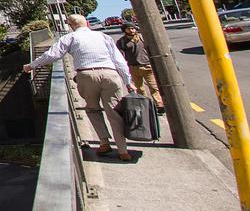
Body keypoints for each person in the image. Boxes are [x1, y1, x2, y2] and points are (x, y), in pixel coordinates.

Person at [24, 13, 137, 161]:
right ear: (87, 24)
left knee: (92, 109)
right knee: (115, 112)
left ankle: (104, 142)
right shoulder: (103, 37)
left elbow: (52, 55)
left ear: (70, 26)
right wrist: (128, 81)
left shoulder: (69, 38)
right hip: (110, 74)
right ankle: (123, 150)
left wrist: (31, 65)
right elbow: (119, 60)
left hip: (86, 75)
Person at [117, 21, 165, 114]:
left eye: (132, 28)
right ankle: (145, 106)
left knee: (154, 87)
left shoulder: (142, 38)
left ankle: (159, 105)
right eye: (129, 29)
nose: (131, 30)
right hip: (133, 67)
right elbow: (120, 55)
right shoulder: (121, 42)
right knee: (140, 89)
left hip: (147, 66)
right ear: (125, 30)